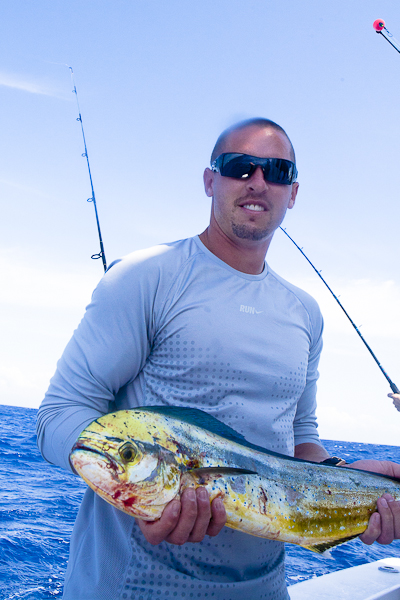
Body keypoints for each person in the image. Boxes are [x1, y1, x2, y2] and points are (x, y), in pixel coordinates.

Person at [37, 118, 400, 600]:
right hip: (135, 588)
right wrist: (138, 494)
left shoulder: (305, 312)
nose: (258, 182)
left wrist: (352, 480)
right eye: (239, 166)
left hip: (265, 588)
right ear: (210, 180)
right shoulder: (146, 276)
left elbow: (299, 441)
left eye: (277, 171)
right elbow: (57, 415)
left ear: (293, 193)